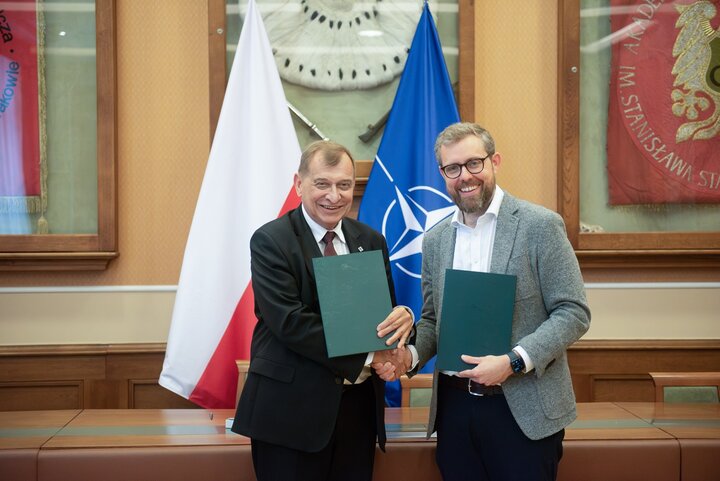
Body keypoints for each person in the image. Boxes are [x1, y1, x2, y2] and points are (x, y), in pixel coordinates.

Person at [378, 122, 591, 481]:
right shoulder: (435, 240)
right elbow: (432, 320)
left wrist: (514, 361)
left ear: (495, 161)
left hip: (523, 410)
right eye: (453, 168)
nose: (465, 176)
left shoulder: (540, 226)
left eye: (474, 163)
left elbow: (573, 312)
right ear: (443, 174)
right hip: (455, 411)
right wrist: (409, 357)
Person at [231, 140, 413, 481]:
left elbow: (379, 318)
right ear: (299, 184)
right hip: (290, 416)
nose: (335, 195)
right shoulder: (272, 241)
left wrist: (405, 320)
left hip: (357, 415)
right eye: (322, 184)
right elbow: (290, 323)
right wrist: (372, 359)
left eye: (344, 184)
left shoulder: (370, 240)